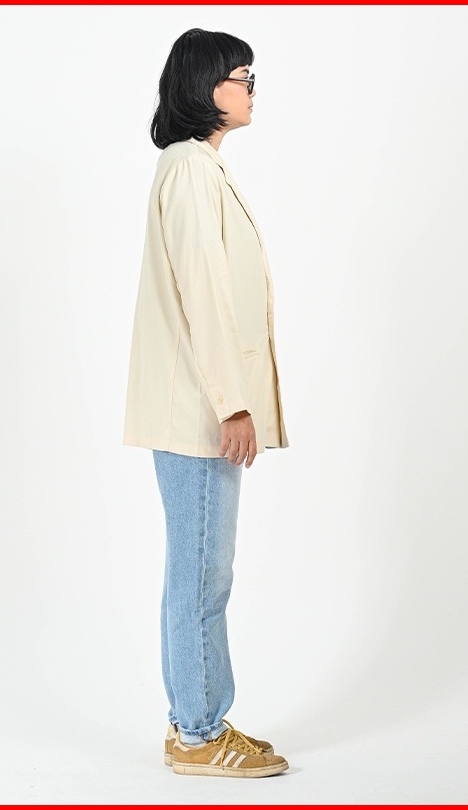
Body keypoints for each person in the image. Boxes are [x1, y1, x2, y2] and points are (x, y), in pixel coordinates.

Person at [123, 28, 290, 778]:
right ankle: (197, 734)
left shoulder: (194, 167)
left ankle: (194, 721)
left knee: (196, 571)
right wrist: (234, 403)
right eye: (242, 76)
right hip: (199, 412)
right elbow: (205, 294)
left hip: (195, 406)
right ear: (205, 86)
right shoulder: (191, 169)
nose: (252, 89)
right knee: (200, 574)